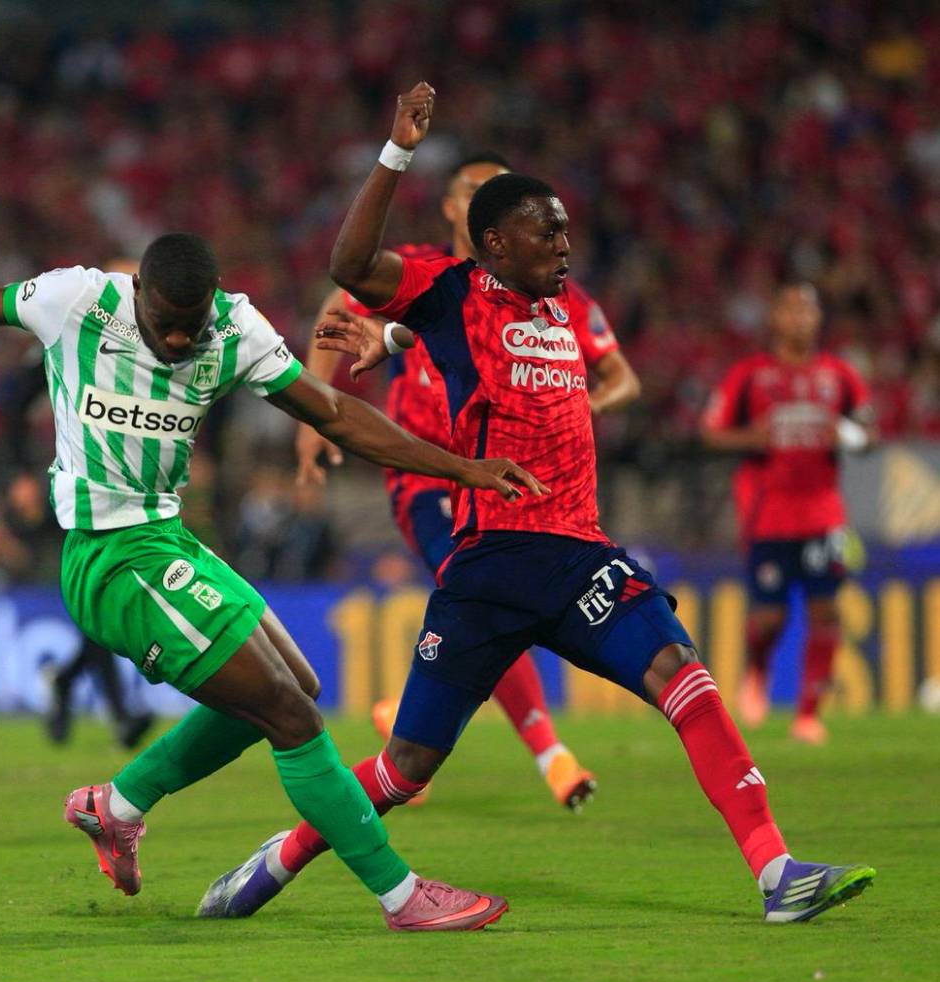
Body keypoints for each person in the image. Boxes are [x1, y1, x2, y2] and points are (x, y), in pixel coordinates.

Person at [202, 83, 875, 924]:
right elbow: (348, 269)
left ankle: (777, 873)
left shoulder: (568, 304)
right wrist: (396, 156)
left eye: (563, 226)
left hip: (580, 553)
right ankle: (281, 857)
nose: (565, 240)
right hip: (489, 565)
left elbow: (596, 370)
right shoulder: (450, 288)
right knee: (407, 766)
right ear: (495, 242)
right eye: (546, 228)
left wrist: (396, 341)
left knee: (684, 677)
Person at [0, 231, 548, 931]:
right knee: (291, 717)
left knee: (296, 687)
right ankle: (402, 896)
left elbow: (332, 412)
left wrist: (458, 465)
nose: (181, 340)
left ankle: (116, 807)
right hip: (109, 557)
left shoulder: (235, 328)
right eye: (166, 325)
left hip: (169, 539)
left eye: (194, 324)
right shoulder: (79, 301)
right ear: (139, 296)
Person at [296, 151, 641, 810]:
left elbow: (621, 373)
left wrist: (577, 408)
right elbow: (346, 299)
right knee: (488, 592)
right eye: (474, 190)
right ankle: (551, 755)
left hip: (505, 480)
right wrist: (314, 406)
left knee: (490, 610)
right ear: (456, 209)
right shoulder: (425, 271)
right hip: (428, 478)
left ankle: (409, 718)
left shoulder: (549, 294)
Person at [701, 283, 876, 743]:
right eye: (792, 309)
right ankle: (757, 669)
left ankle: (808, 715)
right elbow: (711, 432)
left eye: (809, 310)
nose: (801, 318)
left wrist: (852, 437)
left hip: (823, 515)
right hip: (769, 515)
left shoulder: (838, 374)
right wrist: (750, 439)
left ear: (819, 320)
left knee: (825, 611)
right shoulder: (751, 375)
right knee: (770, 619)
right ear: (775, 318)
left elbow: (870, 431)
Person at [5, 329, 155, 749]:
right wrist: (20, 473)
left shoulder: (141, 342)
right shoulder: (73, 332)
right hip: (67, 481)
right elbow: (16, 401)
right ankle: (118, 712)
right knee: (102, 589)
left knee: (106, 594)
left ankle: (68, 682)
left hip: (118, 482)